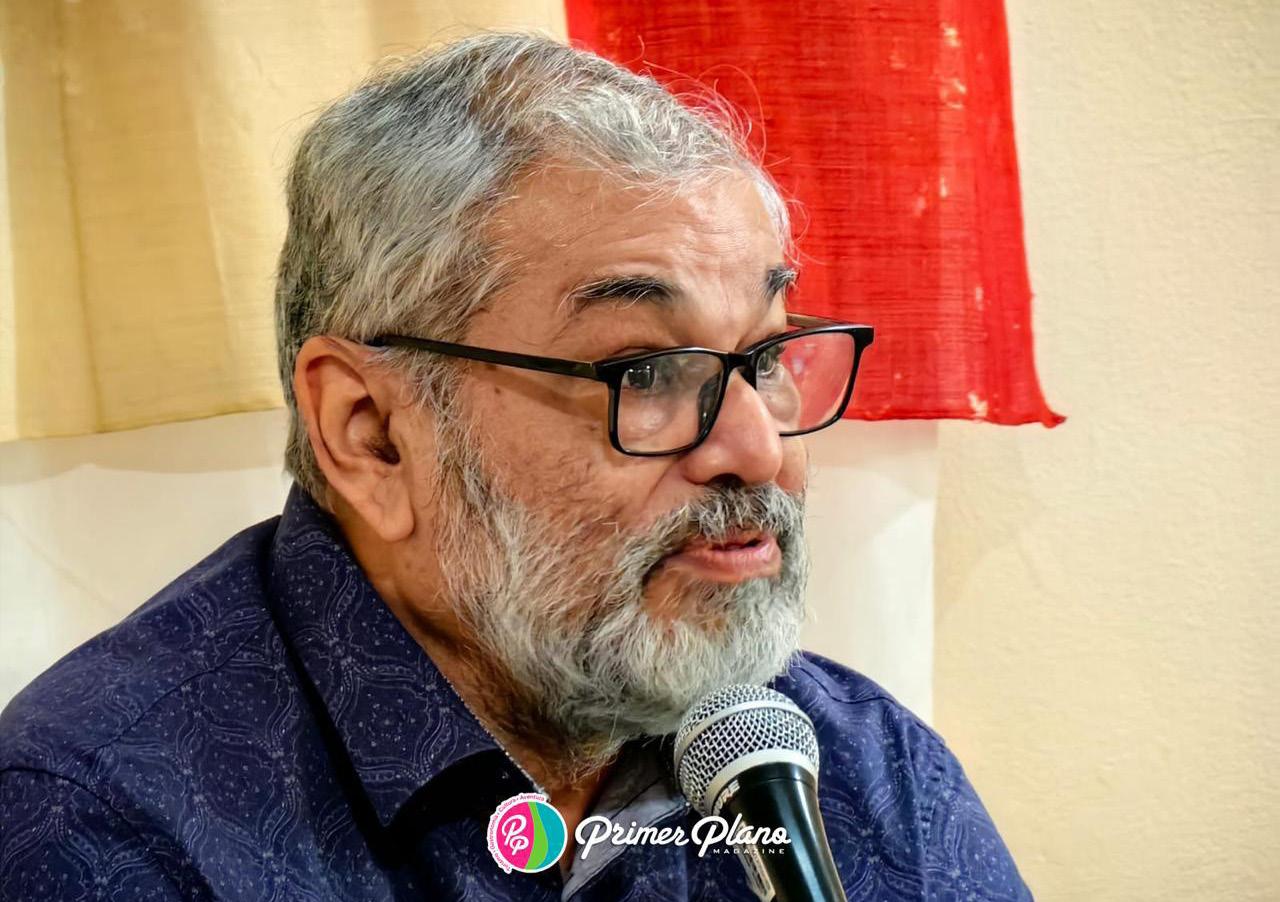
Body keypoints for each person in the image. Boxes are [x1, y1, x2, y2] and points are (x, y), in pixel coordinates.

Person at [0, 33, 1030, 901]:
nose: (759, 450)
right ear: (371, 432)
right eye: (644, 371)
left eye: (763, 359)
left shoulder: (859, 771)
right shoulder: (100, 821)